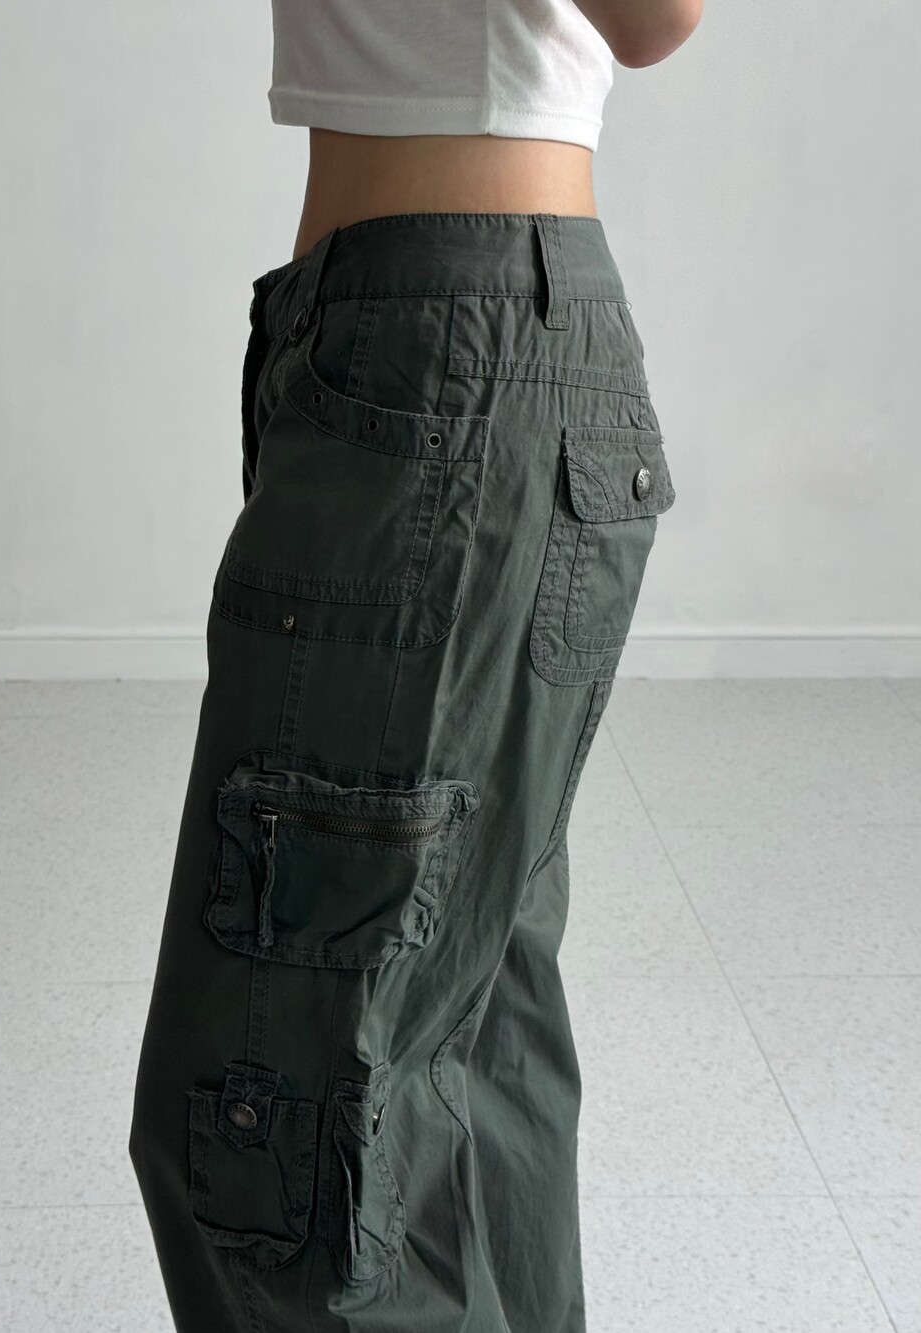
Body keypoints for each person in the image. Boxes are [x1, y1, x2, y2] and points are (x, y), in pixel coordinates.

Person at [129, 2, 703, 1329]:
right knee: (465, 1057)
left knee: (275, 1124)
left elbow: (658, 17)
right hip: (419, 345)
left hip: (447, 357)